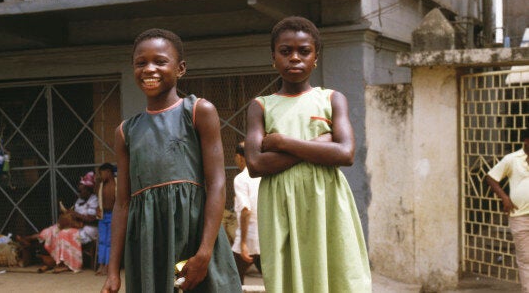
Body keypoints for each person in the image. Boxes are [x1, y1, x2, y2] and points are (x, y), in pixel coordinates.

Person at [101, 28, 242, 293]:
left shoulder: (199, 111)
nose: (149, 69)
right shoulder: (125, 131)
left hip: (195, 235)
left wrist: (204, 252)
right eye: (141, 63)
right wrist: (112, 272)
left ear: (180, 68)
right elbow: (122, 204)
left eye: (160, 61)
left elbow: (217, 184)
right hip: (149, 245)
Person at [244, 16, 371, 292]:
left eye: (304, 51)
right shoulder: (260, 106)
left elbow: (346, 153)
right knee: (290, 276)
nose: (295, 58)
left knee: (337, 269)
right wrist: (322, 143)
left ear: (315, 57)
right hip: (280, 203)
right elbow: (255, 164)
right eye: (285, 51)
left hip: (326, 199)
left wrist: (282, 142)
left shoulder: (331, 99)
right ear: (274, 57)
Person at [17, 171, 99, 273]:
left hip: (88, 230)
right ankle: (28, 239)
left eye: (82, 191)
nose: (79, 193)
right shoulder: (79, 200)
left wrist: (76, 215)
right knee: (51, 230)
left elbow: (93, 219)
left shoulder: (94, 200)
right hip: (76, 226)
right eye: (79, 191)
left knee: (63, 234)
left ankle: (68, 265)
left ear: (89, 191)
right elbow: (75, 215)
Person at [486, 128, 529, 292]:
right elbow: (490, 177)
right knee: (526, 259)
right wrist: (504, 198)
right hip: (519, 217)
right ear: (526, 141)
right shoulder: (512, 159)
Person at [231, 141, 262, 284]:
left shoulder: (241, 179)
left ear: (239, 157)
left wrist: (243, 243)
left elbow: (246, 211)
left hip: (248, 238)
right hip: (264, 238)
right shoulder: (264, 176)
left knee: (233, 279)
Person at [96, 163, 117, 275]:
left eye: (102, 173)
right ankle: (101, 264)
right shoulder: (101, 185)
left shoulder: (116, 183)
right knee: (102, 240)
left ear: (108, 172)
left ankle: (108, 265)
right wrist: (98, 208)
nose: (101, 175)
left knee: (110, 241)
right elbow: (98, 198)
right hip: (103, 216)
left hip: (114, 215)